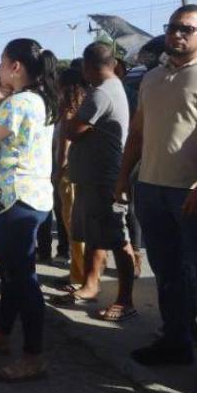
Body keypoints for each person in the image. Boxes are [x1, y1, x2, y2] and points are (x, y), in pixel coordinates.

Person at [117, 5, 197, 393]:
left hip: (195, 192)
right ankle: (176, 341)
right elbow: (138, 134)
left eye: (187, 29)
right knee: (168, 273)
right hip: (152, 190)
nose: (178, 35)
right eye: (173, 27)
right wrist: (123, 178)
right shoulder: (153, 79)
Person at [0, 39, 59, 382]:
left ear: (16, 67)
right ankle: (1, 333)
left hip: (15, 199)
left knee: (22, 279)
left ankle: (34, 355)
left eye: (3, 62)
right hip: (34, 197)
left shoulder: (18, 103)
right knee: (12, 274)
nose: (1, 68)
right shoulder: (42, 99)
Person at [63, 43, 136, 321]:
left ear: (88, 67)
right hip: (95, 177)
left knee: (117, 238)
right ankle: (91, 285)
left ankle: (125, 300)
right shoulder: (110, 88)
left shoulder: (101, 93)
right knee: (97, 235)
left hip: (104, 179)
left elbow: (73, 130)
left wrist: (70, 115)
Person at [52, 68, 88, 288]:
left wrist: (57, 171)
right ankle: (83, 271)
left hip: (69, 175)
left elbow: (64, 149)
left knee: (73, 226)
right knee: (78, 226)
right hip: (80, 172)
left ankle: (79, 275)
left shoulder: (68, 111)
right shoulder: (84, 106)